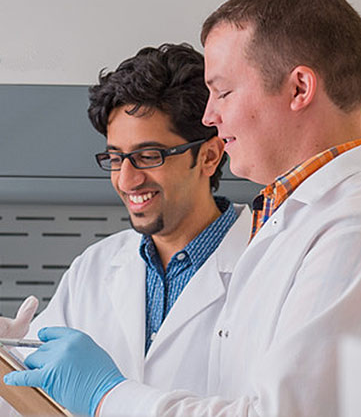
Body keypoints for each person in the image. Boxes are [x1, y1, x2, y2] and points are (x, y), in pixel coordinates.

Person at [4, 0, 361, 417]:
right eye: (115, 158)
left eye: (225, 91)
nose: (212, 116)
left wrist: (106, 395)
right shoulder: (289, 221)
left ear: (299, 89)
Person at [1, 44, 251, 415]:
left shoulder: (266, 262)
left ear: (210, 156)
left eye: (149, 156)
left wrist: (107, 393)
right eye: (116, 158)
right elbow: (35, 405)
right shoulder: (95, 268)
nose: (127, 179)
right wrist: (7, 360)